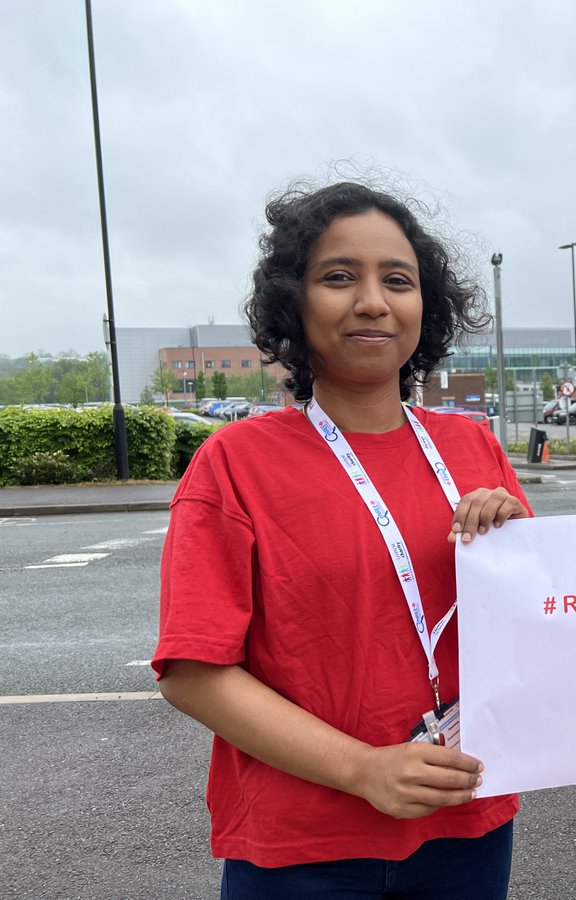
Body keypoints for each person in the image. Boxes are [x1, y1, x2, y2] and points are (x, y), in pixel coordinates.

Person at [153, 181, 531, 899]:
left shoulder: (471, 447)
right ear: (293, 301)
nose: (372, 301)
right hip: (301, 847)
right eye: (338, 277)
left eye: (398, 280)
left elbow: (538, 634)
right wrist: (364, 769)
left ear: (428, 305)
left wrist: (518, 550)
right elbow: (194, 671)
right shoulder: (235, 464)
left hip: (465, 822)